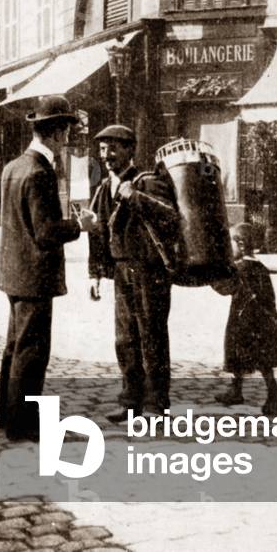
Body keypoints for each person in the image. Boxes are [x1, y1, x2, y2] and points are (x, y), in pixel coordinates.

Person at [0, 94, 87, 441]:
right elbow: (46, 232)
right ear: (57, 132)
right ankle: (25, 425)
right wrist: (81, 226)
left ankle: (7, 415)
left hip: (13, 272)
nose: (68, 137)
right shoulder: (39, 172)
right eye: (66, 129)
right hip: (34, 275)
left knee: (14, 346)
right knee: (32, 351)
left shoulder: (13, 167)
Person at [80, 125, 180, 421]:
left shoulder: (147, 181)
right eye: (102, 149)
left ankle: (156, 405)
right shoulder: (102, 189)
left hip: (150, 270)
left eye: (113, 148)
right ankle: (130, 402)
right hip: (122, 270)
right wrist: (95, 274)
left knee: (152, 337)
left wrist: (135, 197)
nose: (107, 155)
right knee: (125, 339)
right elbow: (97, 232)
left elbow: (171, 216)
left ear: (130, 150)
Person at [211, 223, 277, 415]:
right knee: (259, 359)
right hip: (261, 320)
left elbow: (224, 288)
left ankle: (273, 396)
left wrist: (210, 277)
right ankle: (237, 390)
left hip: (246, 321)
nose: (229, 249)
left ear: (242, 245)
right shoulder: (259, 267)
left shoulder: (241, 269)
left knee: (250, 356)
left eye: (231, 244)